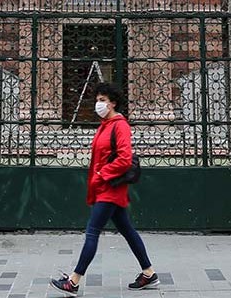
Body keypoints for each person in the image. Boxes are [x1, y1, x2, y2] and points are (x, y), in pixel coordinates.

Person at [51, 82, 158, 295]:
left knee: (92, 232)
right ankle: (149, 273)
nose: (98, 104)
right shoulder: (105, 125)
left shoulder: (120, 125)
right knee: (127, 230)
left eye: (102, 101)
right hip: (104, 187)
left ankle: (73, 281)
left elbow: (125, 158)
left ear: (113, 103)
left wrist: (103, 174)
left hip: (110, 187)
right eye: (97, 100)